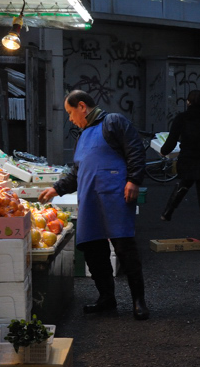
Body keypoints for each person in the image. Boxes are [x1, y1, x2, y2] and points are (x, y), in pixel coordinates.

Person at [38, 90, 150, 320]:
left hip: (114, 195)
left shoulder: (113, 122)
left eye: (70, 113)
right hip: (90, 200)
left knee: (124, 249)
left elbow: (136, 150)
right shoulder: (83, 135)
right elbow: (78, 171)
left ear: (82, 106)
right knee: (92, 249)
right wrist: (56, 189)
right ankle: (106, 298)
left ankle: (139, 301)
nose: (70, 118)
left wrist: (134, 180)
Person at [159, 90, 200, 255]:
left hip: (187, 161)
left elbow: (171, 141)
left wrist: (163, 151)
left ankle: (168, 211)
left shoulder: (181, 118)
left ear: (187, 102)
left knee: (183, 184)